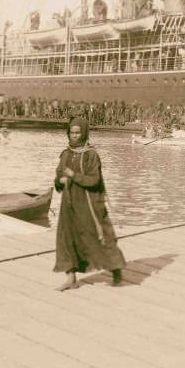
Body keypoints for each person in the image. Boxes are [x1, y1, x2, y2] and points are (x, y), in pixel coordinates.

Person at [54, 117, 126, 290]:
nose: (74, 136)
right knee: (67, 238)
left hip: (89, 203)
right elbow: (58, 175)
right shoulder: (66, 154)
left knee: (98, 236)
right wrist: (59, 180)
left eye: (78, 133)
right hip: (69, 204)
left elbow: (94, 180)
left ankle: (116, 269)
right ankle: (71, 278)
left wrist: (73, 176)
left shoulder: (91, 154)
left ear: (84, 133)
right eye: (72, 132)